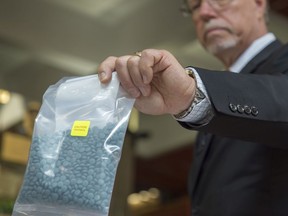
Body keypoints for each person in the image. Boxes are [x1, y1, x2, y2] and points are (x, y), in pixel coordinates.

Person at [97, 0, 288, 215]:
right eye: (195, 6)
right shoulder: (219, 89)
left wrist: (191, 93)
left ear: (259, 4)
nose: (204, 12)